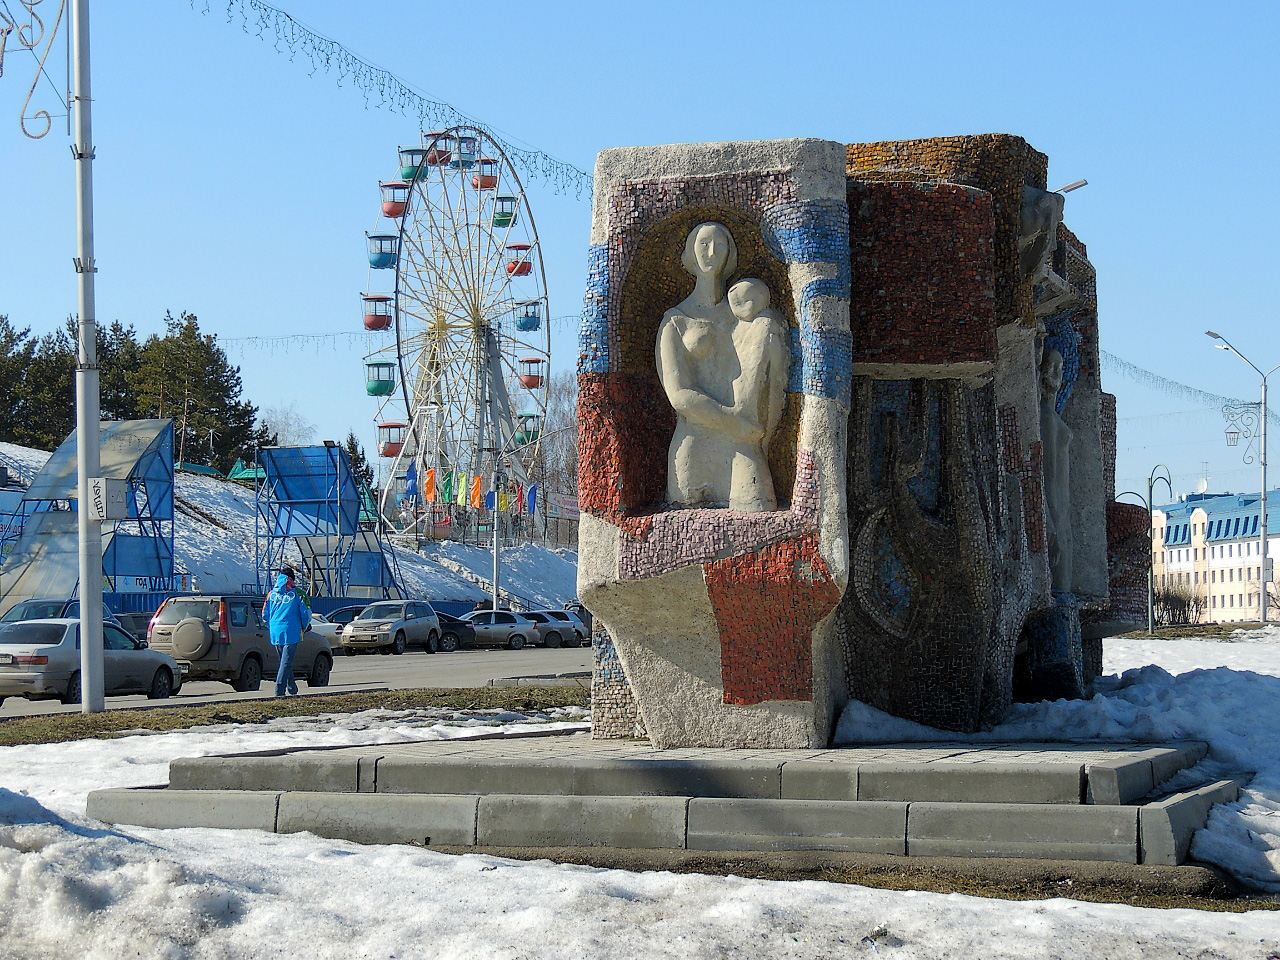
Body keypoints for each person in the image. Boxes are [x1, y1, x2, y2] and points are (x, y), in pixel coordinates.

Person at [655, 223, 787, 512]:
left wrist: (761, 435)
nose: (712, 252)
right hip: (697, 445)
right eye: (704, 244)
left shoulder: (746, 314)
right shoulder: (675, 321)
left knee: (760, 512)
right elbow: (679, 395)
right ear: (691, 251)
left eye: (720, 244)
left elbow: (771, 372)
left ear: (730, 253)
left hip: (744, 441)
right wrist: (737, 423)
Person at [263, 568, 307, 697]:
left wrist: (271, 626)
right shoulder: (298, 593)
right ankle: (279, 691)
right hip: (291, 631)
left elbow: (265, 614)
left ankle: (292, 688)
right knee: (286, 662)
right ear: (292, 579)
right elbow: (305, 613)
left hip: (275, 631)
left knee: (284, 661)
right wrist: (304, 627)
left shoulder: (271, 594)